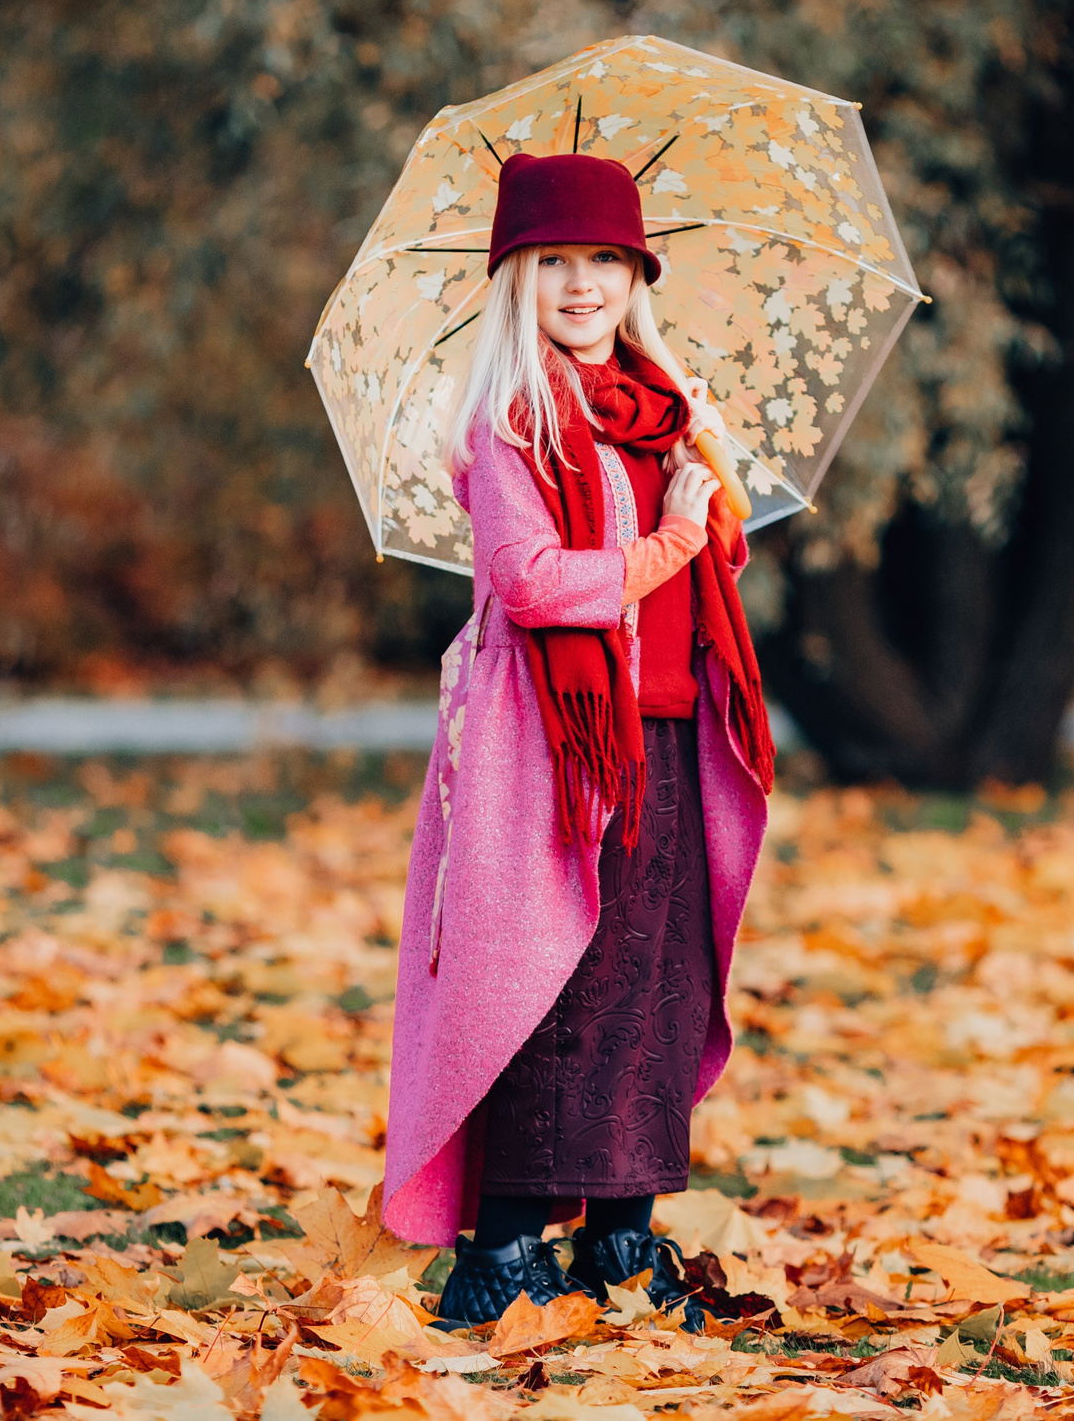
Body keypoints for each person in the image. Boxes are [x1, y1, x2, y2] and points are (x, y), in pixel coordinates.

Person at [379, 149, 777, 1329]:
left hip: (664, 736)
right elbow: (535, 580)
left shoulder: (662, 407)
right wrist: (664, 540)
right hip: (552, 750)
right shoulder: (515, 419)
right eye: (553, 261)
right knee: (550, 985)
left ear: (637, 273)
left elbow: (713, 571)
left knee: (653, 990)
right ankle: (502, 1252)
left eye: (604, 259)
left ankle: (620, 1240)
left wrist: (707, 491)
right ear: (517, 279)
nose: (581, 283)